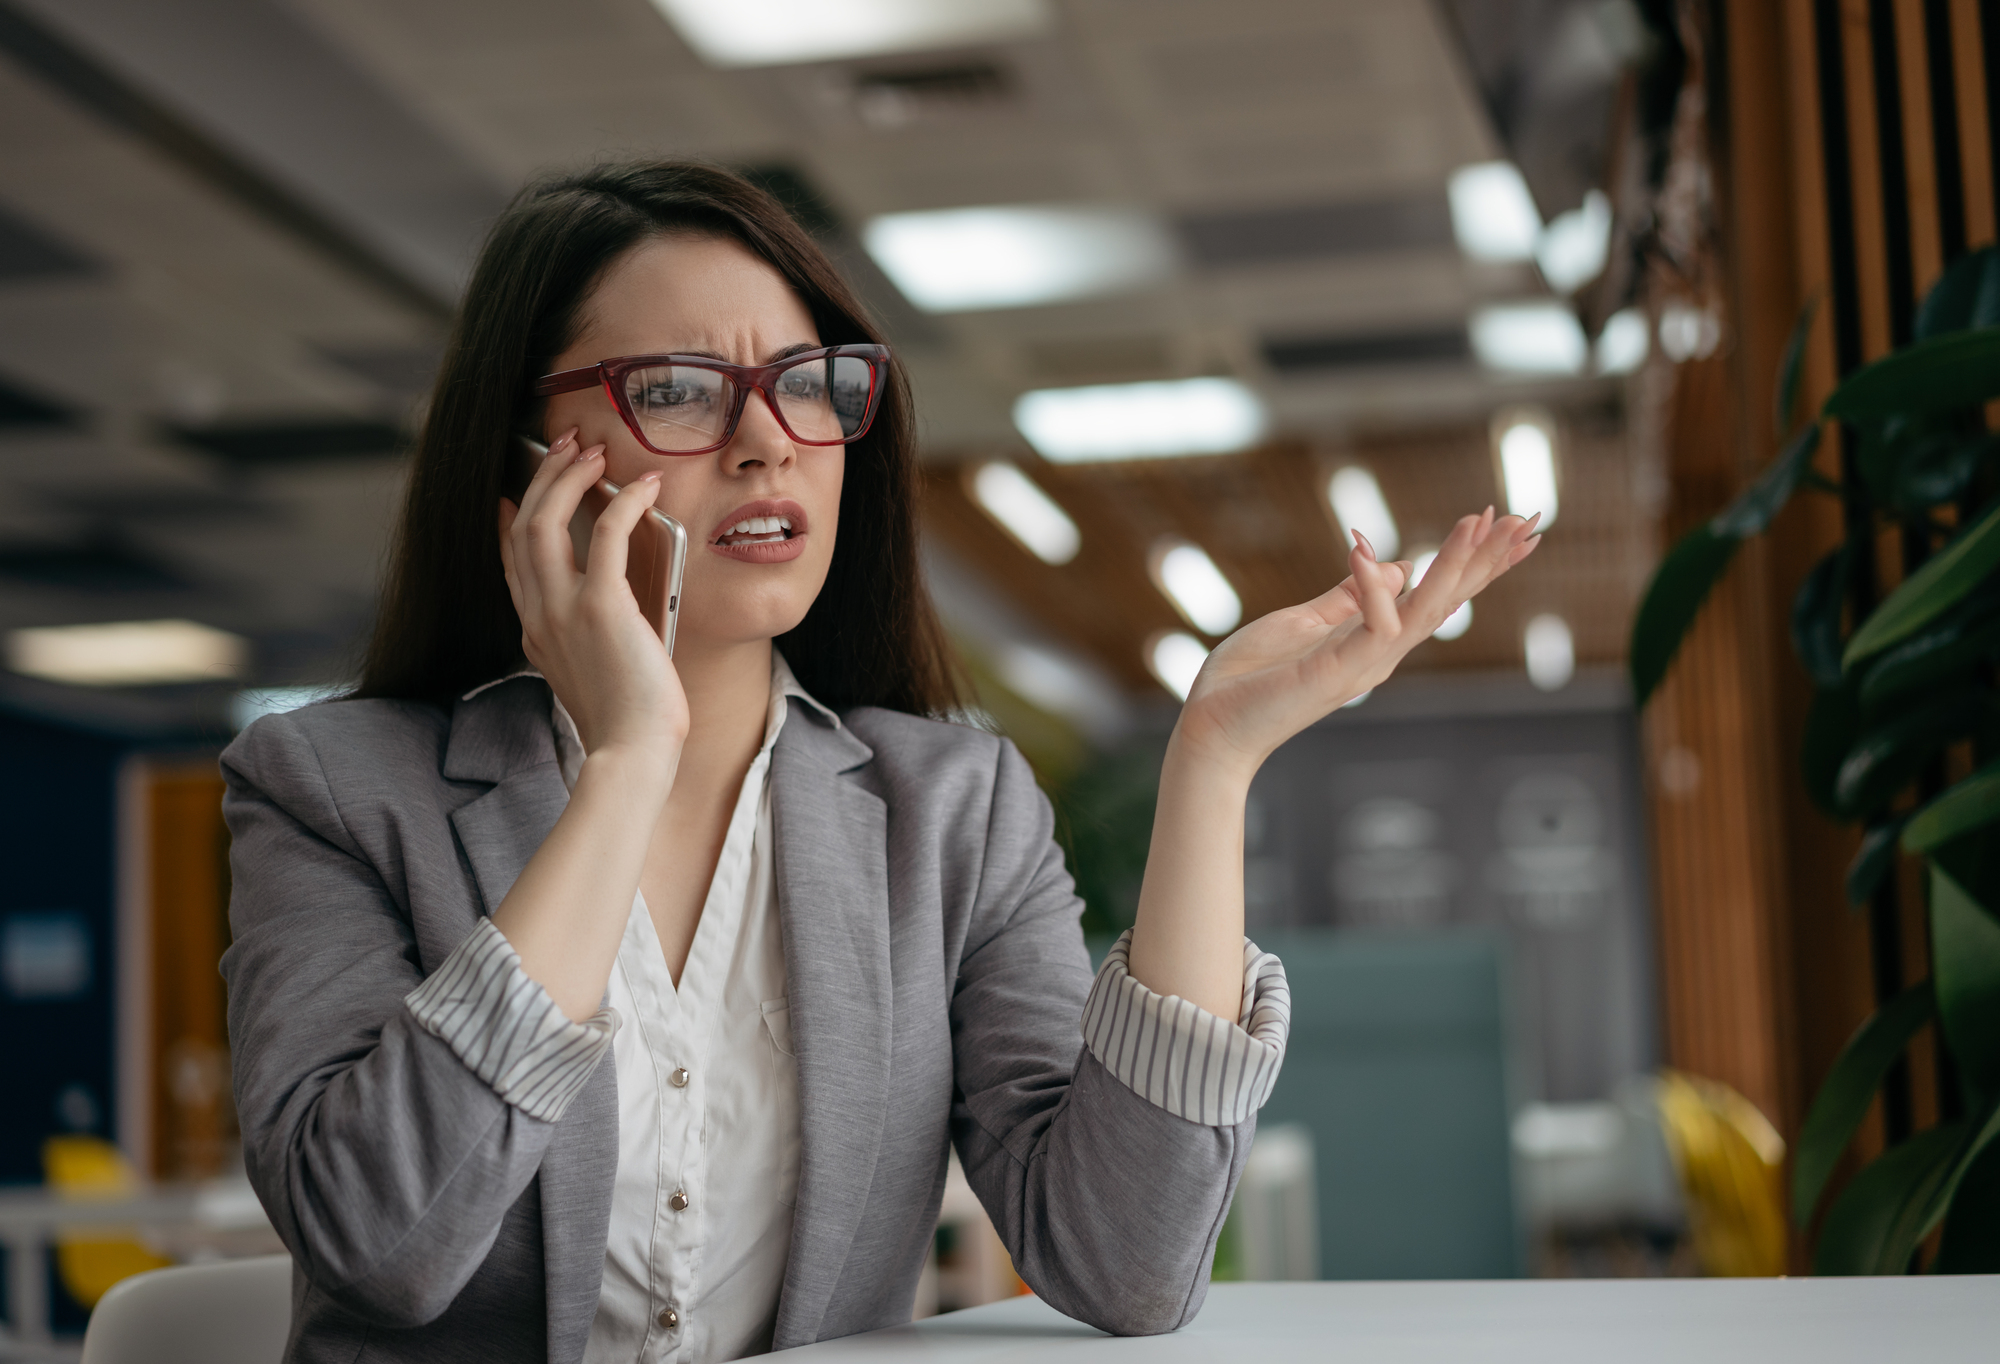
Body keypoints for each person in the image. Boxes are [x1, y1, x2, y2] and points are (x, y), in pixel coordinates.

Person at [220, 161, 1539, 1364]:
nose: (766, 438)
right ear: (523, 466)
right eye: (676, 389)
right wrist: (625, 762)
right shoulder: (331, 789)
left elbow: (1124, 1263)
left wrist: (1212, 762)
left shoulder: (950, 812)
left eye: (807, 381)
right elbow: (381, 1246)